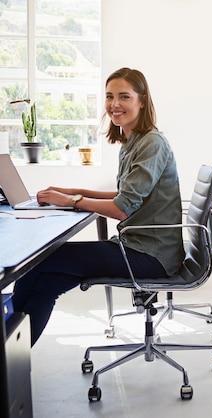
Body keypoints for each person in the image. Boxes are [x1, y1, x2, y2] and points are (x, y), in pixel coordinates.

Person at [12, 67, 184, 346]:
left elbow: (122, 208)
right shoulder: (133, 142)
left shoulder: (152, 143)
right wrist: (73, 191)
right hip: (138, 248)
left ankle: (9, 359)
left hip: (151, 257)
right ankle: (11, 359)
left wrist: (71, 201)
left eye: (124, 97)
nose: (115, 104)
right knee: (48, 281)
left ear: (142, 101)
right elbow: (125, 194)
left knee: (39, 261)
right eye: (109, 97)